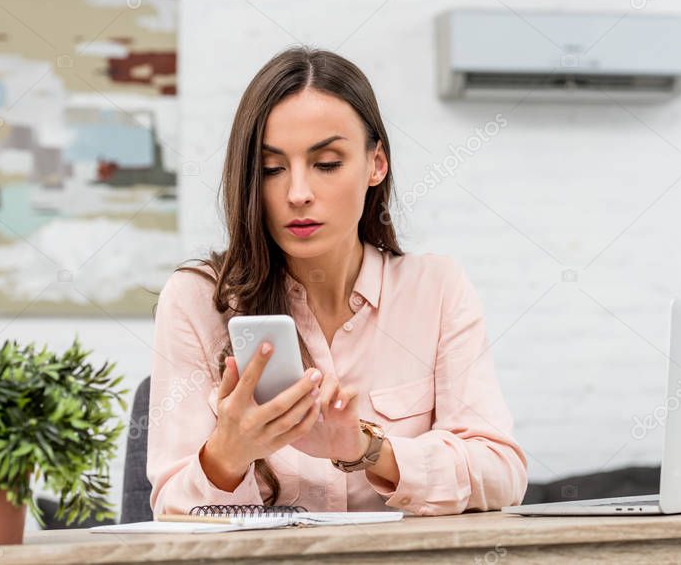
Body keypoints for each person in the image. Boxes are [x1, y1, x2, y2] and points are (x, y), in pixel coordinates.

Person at [147, 46, 527, 516]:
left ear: (376, 165)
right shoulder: (198, 301)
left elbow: (502, 473)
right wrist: (227, 454)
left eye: (326, 164)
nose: (298, 194)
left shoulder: (438, 288)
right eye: (271, 170)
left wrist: (365, 449)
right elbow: (170, 509)